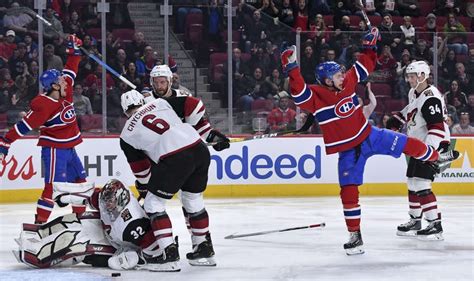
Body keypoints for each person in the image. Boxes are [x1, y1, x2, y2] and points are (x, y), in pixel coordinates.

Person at [280, 27, 460, 255]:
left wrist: (370, 46)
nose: (342, 76)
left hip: (369, 135)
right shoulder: (316, 96)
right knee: (348, 190)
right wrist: (292, 68)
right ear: (326, 80)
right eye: (337, 75)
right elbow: (298, 93)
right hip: (348, 151)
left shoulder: (346, 81)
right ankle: (355, 235)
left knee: (406, 143)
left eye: (341, 74)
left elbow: (364, 65)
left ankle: (436, 156)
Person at [119, 90, 220, 271]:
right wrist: (205, 134)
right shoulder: (160, 103)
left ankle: (168, 255)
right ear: (143, 101)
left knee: (153, 204)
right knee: (192, 200)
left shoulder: (126, 134)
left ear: (125, 112)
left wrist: (146, 187)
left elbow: (142, 172)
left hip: (175, 158)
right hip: (199, 150)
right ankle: (203, 249)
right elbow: (196, 105)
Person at [0, 35, 90, 224]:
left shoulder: (65, 89)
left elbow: (71, 68)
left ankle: (80, 221)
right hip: (55, 150)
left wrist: (74, 49)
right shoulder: (44, 105)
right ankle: (39, 225)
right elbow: (23, 126)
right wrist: (6, 142)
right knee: (52, 188)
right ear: (55, 86)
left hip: (70, 148)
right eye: (62, 81)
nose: (66, 82)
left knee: (80, 184)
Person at [15, 179, 165, 271]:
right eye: (106, 202)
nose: (107, 206)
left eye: (110, 204)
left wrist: (132, 258)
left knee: (79, 246)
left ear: (121, 201)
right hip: (108, 230)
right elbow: (92, 198)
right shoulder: (110, 199)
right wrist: (67, 198)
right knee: (73, 220)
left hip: (118, 246)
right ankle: (41, 232)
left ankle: (41, 257)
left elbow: (154, 251)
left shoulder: (134, 224)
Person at [386, 61, 453, 241]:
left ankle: (435, 224)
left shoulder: (431, 97)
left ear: (422, 76)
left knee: (421, 183)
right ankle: (415, 220)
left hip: (433, 143)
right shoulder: (414, 92)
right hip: (419, 144)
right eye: (408, 76)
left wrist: (430, 152)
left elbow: (437, 127)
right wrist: (399, 117)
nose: (409, 79)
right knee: (412, 182)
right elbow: (413, 108)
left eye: (412, 76)